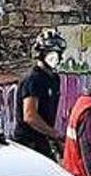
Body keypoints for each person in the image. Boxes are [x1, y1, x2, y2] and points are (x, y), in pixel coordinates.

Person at [14, 29, 67, 159]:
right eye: (52, 54)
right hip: (27, 143)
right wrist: (56, 135)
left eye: (59, 54)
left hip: (43, 141)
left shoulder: (54, 79)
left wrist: (56, 141)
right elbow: (30, 116)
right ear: (41, 54)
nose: (56, 58)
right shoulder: (33, 80)